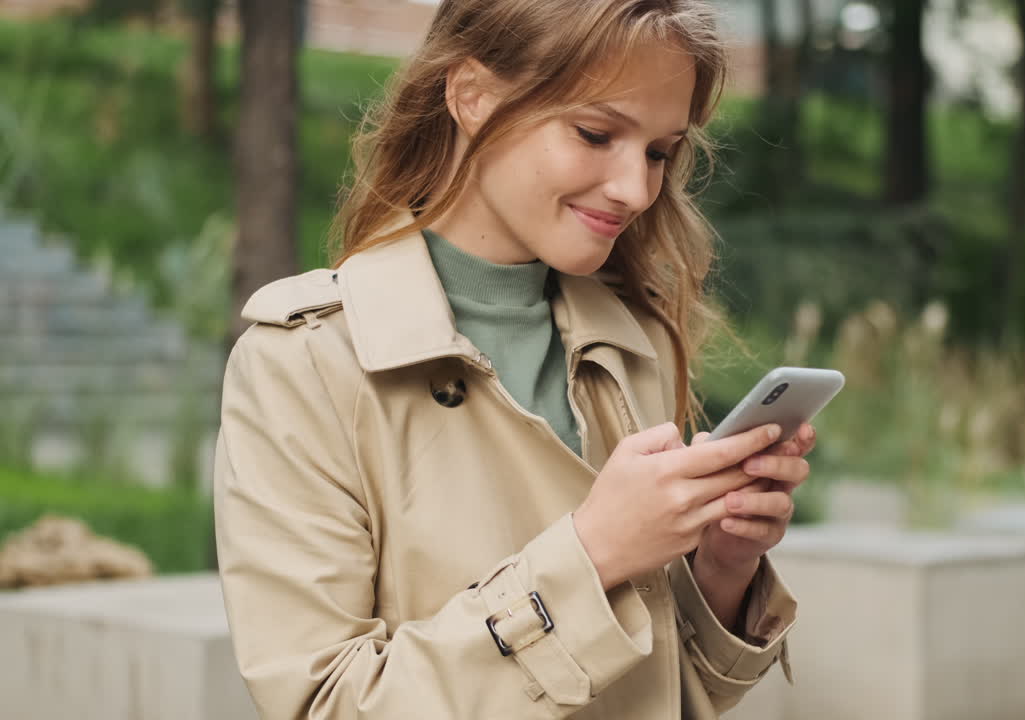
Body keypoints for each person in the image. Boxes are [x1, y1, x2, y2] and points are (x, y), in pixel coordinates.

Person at [213, 1, 816, 717]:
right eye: (595, 134)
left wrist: (721, 566)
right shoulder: (307, 362)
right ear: (471, 96)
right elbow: (328, 704)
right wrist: (590, 555)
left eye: (658, 152)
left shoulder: (632, 337)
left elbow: (668, 694)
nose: (634, 188)